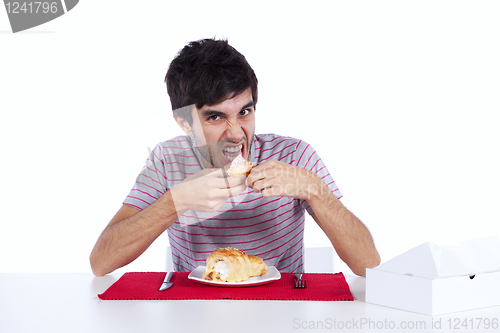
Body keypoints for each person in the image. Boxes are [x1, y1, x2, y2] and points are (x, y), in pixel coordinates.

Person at [90, 38, 380, 277]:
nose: (236, 134)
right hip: (193, 314)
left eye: (244, 112)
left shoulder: (294, 156)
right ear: (185, 123)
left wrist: (314, 190)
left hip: (280, 313)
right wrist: (176, 202)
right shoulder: (168, 159)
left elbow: (368, 265)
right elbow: (100, 263)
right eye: (215, 117)